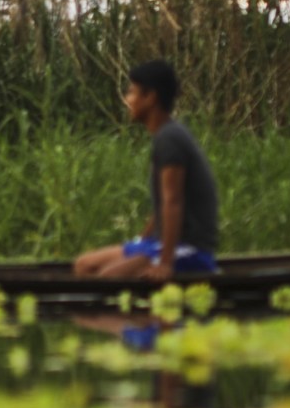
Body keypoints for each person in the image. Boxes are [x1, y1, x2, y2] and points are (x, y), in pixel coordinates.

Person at [72, 58, 219, 282]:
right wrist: (142, 242)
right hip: (159, 244)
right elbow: (162, 204)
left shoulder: (170, 139)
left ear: (150, 98)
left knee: (107, 278)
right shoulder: (163, 137)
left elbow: (173, 201)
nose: (128, 100)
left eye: (132, 93)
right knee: (84, 265)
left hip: (190, 249)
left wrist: (165, 263)